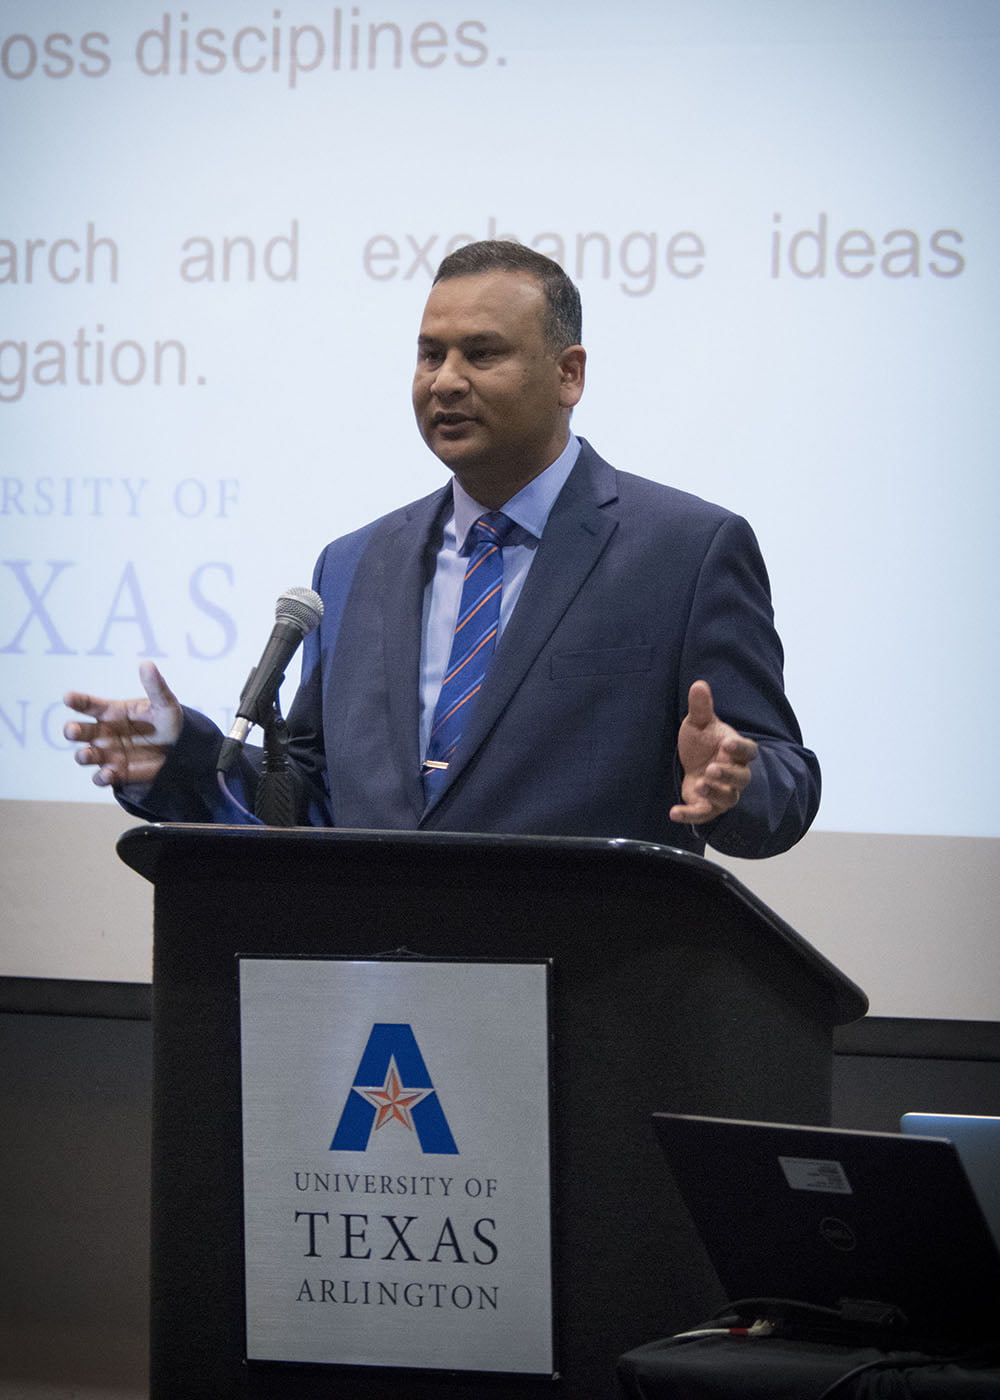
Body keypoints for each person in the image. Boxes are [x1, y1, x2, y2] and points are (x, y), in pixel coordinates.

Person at [63, 240, 819, 858]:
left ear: (569, 374)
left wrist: (731, 784)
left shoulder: (684, 552)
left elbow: (784, 781)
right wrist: (186, 758)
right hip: (380, 996)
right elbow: (307, 801)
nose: (446, 381)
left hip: (589, 990)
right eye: (430, 355)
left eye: (482, 354)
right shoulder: (354, 563)